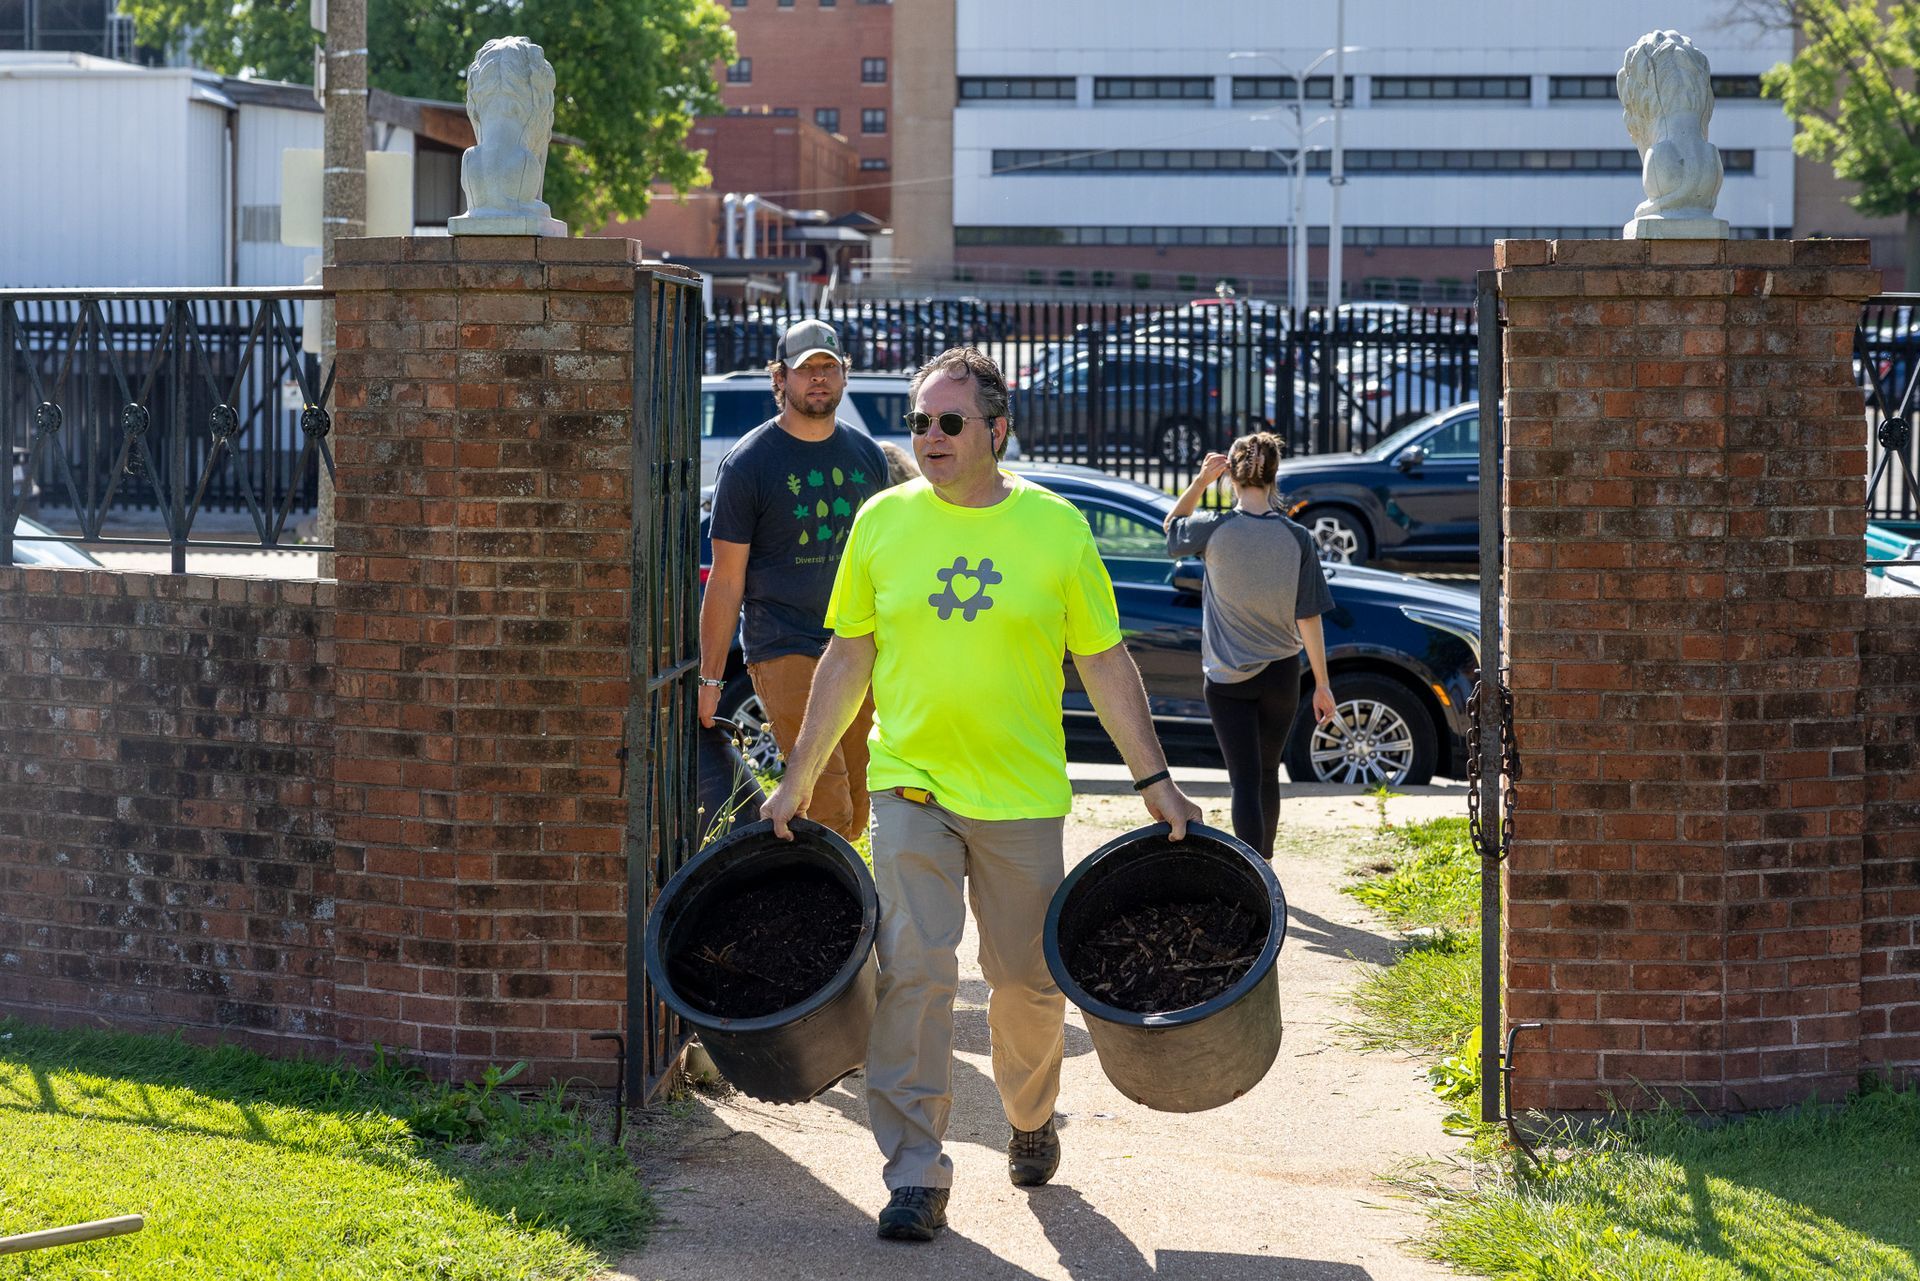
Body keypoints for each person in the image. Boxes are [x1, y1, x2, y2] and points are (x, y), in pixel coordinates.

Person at [761, 348, 1203, 1243]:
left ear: (997, 431)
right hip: (910, 784)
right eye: (920, 421)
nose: (930, 435)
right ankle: (916, 1171)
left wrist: (1155, 779)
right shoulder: (883, 522)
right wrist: (801, 774)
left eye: (950, 422)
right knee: (915, 973)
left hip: (1020, 794)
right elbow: (850, 654)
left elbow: (1105, 660)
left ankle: (1030, 1113)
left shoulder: (1057, 530)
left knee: (1027, 984)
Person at [698, 319, 891, 842]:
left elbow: (885, 565)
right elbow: (726, 579)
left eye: (829, 367)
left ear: (844, 375)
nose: (819, 379)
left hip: (855, 648)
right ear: (780, 379)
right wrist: (710, 681)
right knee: (822, 800)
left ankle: (848, 910)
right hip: (782, 645)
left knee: (859, 806)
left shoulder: (867, 457)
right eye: (806, 370)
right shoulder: (749, 463)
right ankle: (832, 922)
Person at [1164, 434, 1338, 860]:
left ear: (1232, 478)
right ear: (1274, 477)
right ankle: (1268, 868)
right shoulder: (1297, 537)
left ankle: (1253, 875)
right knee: (1266, 775)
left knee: (1243, 779)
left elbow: (1171, 530)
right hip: (1282, 675)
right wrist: (1322, 684)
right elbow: (1309, 616)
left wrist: (1200, 482)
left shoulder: (1212, 528)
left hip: (1226, 680)